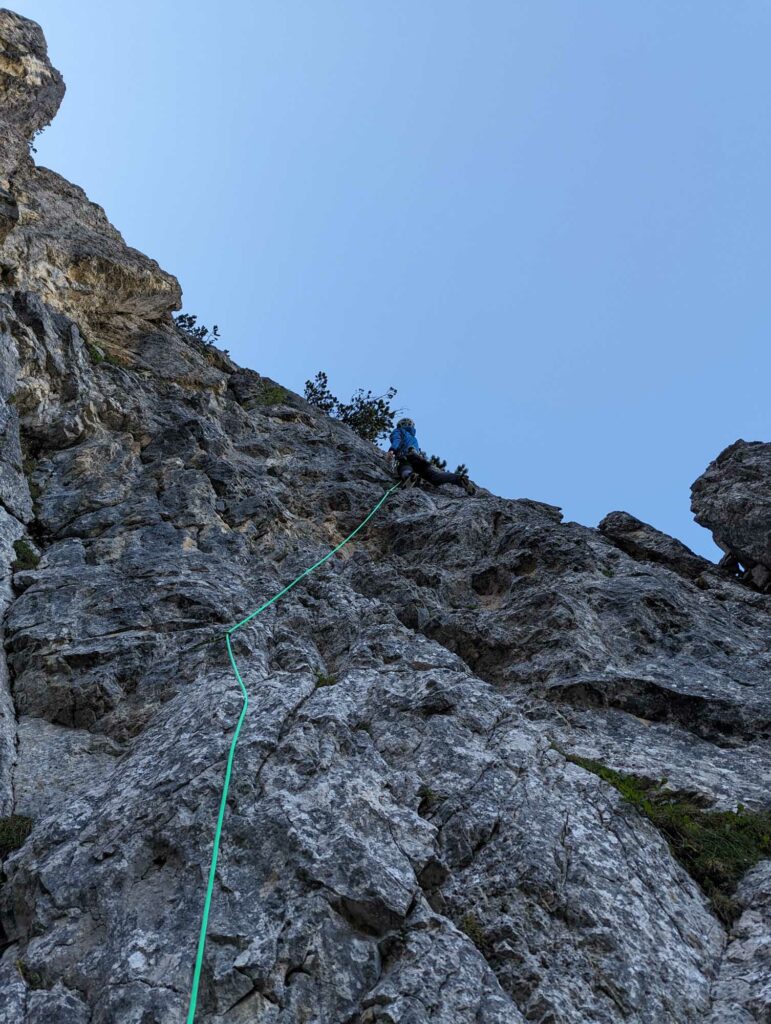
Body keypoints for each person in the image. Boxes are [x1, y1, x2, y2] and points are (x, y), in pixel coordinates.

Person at [387, 418, 475, 493]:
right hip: (419, 460)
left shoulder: (399, 431)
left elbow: (396, 440)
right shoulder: (414, 438)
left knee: (404, 467)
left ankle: (409, 476)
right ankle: (458, 479)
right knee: (435, 477)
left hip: (406, 456)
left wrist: (392, 450)